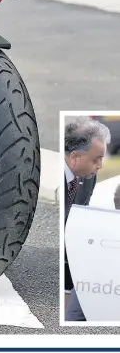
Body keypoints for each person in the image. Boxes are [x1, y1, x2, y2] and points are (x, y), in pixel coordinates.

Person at [63, 116, 110, 323]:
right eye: (96, 159)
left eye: (101, 159)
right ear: (74, 158)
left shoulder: (88, 176)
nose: (100, 166)